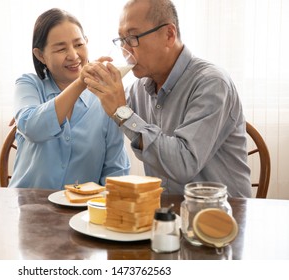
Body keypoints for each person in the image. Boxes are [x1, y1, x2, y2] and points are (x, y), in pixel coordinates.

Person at [83, 0, 251, 197]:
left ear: (169, 35)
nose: (125, 49)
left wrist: (123, 112)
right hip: (165, 217)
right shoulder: (139, 89)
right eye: (121, 40)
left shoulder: (212, 83)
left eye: (133, 37)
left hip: (220, 217)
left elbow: (183, 163)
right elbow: (95, 120)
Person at [8, 8, 130, 189]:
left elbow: (115, 170)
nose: (73, 55)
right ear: (40, 55)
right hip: (29, 207)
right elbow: (32, 127)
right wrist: (81, 82)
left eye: (79, 45)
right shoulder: (29, 84)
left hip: (81, 211)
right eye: (61, 48)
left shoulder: (105, 98)